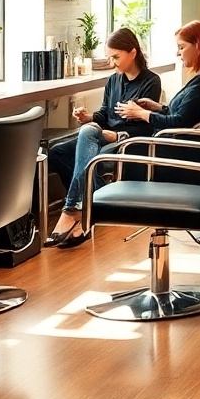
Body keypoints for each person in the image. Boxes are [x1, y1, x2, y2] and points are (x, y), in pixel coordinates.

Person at [52, 21, 200, 250]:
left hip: (172, 155)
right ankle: (85, 210)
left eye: (181, 47)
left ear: (198, 45)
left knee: (91, 148)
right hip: (179, 149)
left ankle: (77, 211)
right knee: (77, 139)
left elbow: (178, 123)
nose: (177, 54)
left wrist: (143, 114)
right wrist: (158, 109)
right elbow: (184, 116)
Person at [46, 28, 161, 248]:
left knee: (88, 134)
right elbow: (104, 115)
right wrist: (87, 116)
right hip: (103, 136)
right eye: (110, 57)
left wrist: (116, 134)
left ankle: (72, 211)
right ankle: (92, 205)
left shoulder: (151, 82)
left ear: (133, 53)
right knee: (58, 152)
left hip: (128, 142)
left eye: (116, 57)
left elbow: (147, 126)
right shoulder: (113, 81)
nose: (112, 62)